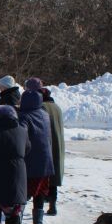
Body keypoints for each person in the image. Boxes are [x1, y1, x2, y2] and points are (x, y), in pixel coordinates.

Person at [18, 78, 54, 224]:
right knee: (40, 193)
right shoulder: (44, 114)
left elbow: (21, 137)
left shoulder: (24, 116)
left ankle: (17, 221)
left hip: (29, 162)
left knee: (22, 194)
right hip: (46, 161)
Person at [41, 87, 65, 216]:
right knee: (54, 179)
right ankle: (53, 206)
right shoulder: (57, 107)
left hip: (47, 145)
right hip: (58, 145)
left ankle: (43, 203)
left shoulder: (42, 107)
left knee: (44, 177)